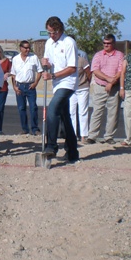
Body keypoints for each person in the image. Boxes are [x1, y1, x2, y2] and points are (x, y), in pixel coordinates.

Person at [41, 16, 79, 162]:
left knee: (52, 110)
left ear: (60, 30)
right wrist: (46, 63)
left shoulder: (69, 42)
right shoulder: (49, 43)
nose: (51, 36)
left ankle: (51, 146)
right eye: (49, 33)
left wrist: (53, 75)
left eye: (54, 33)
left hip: (68, 83)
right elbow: (48, 62)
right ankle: (72, 152)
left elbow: (72, 68)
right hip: (56, 84)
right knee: (65, 118)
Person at [86, 34, 124, 145]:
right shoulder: (98, 55)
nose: (106, 45)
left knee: (113, 113)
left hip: (114, 88)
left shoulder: (120, 55)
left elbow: (120, 71)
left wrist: (111, 83)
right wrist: (108, 79)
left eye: (108, 43)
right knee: (97, 111)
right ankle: (92, 136)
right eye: (104, 43)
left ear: (113, 43)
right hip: (100, 86)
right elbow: (95, 70)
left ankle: (109, 136)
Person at [9, 40, 43, 136]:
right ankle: (24, 129)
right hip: (19, 86)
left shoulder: (34, 58)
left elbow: (39, 71)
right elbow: (13, 74)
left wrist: (35, 83)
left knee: (33, 108)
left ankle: (35, 129)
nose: (27, 50)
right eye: (25, 48)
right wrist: (14, 86)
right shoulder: (15, 59)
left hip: (30, 86)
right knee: (21, 108)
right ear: (21, 48)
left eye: (29, 48)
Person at [69, 48, 91, 143]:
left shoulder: (81, 60)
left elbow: (89, 73)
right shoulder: (66, 61)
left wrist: (87, 83)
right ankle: (72, 135)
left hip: (83, 88)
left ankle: (83, 135)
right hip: (71, 89)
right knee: (71, 112)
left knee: (82, 112)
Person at [0, 44, 12, 135]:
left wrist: (8, 74)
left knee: (0, 108)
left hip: (3, 88)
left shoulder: (6, 61)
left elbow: (12, 71)